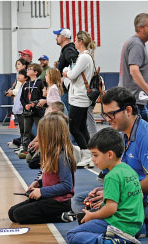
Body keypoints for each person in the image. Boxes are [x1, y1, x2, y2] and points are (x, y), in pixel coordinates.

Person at [70, 87, 148, 237]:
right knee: (80, 200)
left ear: (128, 110)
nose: (108, 119)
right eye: (105, 115)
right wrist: (106, 192)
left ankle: (136, 226)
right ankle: (130, 224)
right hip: (132, 197)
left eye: (111, 114)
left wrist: (114, 195)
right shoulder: (124, 135)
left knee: (96, 215)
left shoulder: (147, 137)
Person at [67, 128, 144, 244]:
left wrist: (93, 216)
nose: (93, 159)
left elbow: (111, 209)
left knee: (73, 235)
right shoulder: (129, 170)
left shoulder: (111, 176)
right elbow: (135, 198)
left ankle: (109, 240)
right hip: (135, 224)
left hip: (118, 224)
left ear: (109, 154)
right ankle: (129, 234)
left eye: (95, 155)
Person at [8, 113, 76, 224]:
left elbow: (66, 186)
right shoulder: (51, 153)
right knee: (12, 213)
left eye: (42, 135)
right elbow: (53, 178)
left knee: (19, 215)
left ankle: (61, 216)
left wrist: (41, 191)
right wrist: (39, 183)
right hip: (48, 197)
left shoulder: (62, 156)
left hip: (58, 202)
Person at [118, 13, 148, 122]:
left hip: (135, 100)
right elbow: (134, 71)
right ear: (140, 28)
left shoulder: (137, 43)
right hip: (134, 101)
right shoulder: (136, 44)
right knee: (138, 135)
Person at [62, 31, 95, 168]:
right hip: (79, 96)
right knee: (81, 127)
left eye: (75, 40)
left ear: (80, 41)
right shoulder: (84, 57)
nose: (74, 42)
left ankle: (86, 154)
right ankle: (89, 155)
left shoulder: (84, 58)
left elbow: (73, 75)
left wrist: (65, 72)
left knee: (74, 127)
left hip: (80, 97)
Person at [19, 63, 45, 158]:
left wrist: (34, 104)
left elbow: (43, 97)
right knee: (26, 130)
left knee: (40, 130)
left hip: (38, 111)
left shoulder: (40, 83)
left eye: (30, 69)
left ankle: (39, 147)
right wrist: (25, 105)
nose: (27, 70)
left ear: (35, 72)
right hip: (27, 112)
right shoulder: (26, 84)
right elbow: (22, 98)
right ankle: (25, 147)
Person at [54, 28, 79, 112]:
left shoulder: (68, 50)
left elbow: (75, 64)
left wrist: (64, 78)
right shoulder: (67, 50)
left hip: (67, 89)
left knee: (67, 116)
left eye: (58, 36)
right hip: (66, 88)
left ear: (64, 38)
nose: (56, 38)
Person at [6, 59, 29, 150]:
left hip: (22, 108)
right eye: (16, 64)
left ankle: (24, 146)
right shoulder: (19, 78)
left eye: (19, 64)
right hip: (18, 107)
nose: (17, 66)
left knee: (25, 129)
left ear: (24, 66)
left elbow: (19, 91)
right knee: (22, 129)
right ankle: (22, 145)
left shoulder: (25, 81)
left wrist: (12, 92)